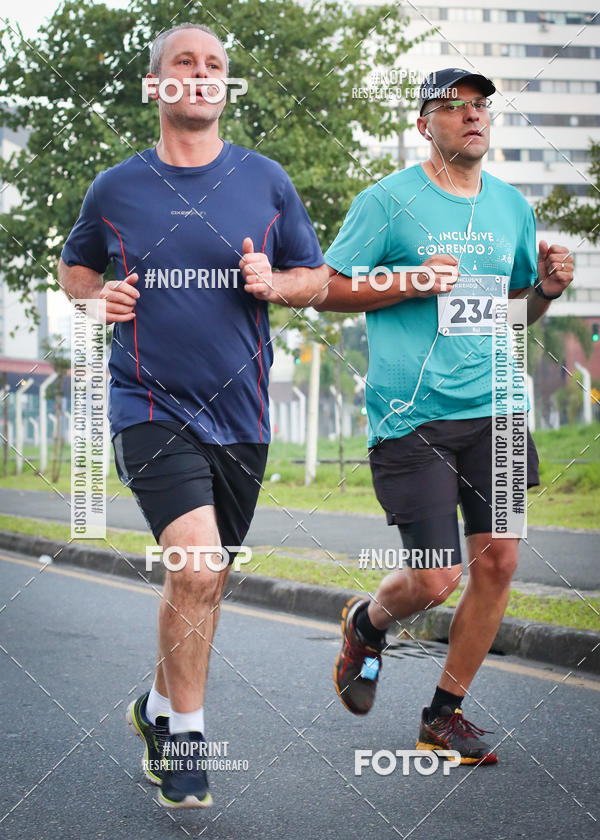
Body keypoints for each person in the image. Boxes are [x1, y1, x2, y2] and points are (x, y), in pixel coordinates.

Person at [58, 23, 327, 807]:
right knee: (197, 565)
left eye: (215, 65)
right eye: (185, 62)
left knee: (203, 584)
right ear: (157, 84)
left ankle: (155, 707)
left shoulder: (266, 181)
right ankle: (186, 738)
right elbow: (75, 267)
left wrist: (276, 283)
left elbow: (315, 276)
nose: (202, 74)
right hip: (149, 403)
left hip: (242, 415)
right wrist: (95, 300)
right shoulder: (115, 188)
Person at [319, 68, 573, 764]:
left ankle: (443, 713)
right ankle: (368, 625)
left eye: (480, 105)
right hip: (414, 414)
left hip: (499, 407)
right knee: (436, 579)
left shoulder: (511, 207)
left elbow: (513, 313)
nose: (471, 115)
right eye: (452, 106)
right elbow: (326, 288)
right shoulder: (387, 201)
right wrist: (408, 280)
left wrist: (546, 290)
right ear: (423, 124)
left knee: (500, 562)